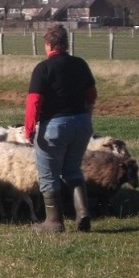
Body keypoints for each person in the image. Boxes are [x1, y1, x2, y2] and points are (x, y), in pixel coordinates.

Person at [24, 23, 97, 233]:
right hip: (81, 124)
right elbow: (92, 95)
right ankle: (83, 213)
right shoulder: (80, 64)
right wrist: (86, 115)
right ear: (66, 43)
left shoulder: (43, 68)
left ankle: (53, 222)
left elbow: (34, 102)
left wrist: (29, 129)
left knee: (48, 176)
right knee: (72, 170)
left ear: (48, 44)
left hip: (54, 128)